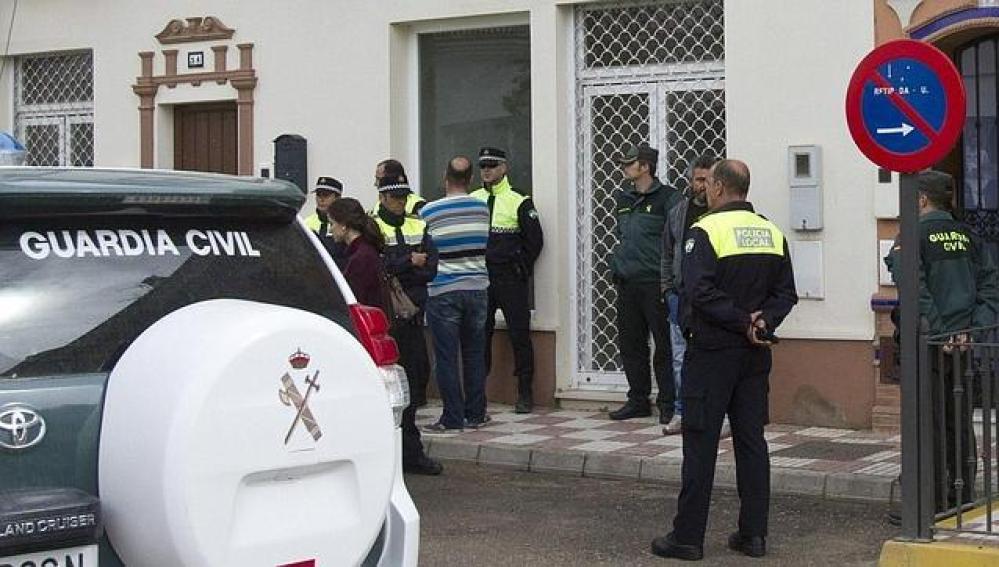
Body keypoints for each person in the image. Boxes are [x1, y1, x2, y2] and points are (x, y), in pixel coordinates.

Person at [653, 159, 797, 561]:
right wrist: (761, 322)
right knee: (752, 443)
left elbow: (698, 291)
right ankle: (754, 535)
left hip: (712, 353)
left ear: (718, 187)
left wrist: (739, 321)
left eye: (708, 185)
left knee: (700, 443)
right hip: (754, 355)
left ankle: (687, 538)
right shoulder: (771, 231)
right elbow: (786, 293)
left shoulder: (705, 230)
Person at [884, 170, 999, 513]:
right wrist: (971, 330)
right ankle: (961, 497)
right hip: (962, 344)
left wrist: (939, 330)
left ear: (921, 199)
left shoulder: (913, 235)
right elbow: (991, 287)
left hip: (928, 345)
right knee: (959, 421)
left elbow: (912, 286)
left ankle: (929, 504)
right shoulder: (969, 235)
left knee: (927, 423)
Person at [373, 173, 444, 476]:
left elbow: (431, 269)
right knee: (386, 389)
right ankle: (390, 454)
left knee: (414, 386)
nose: (400, 203)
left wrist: (407, 268)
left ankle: (411, 454)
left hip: (414, 317)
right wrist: (408, 262)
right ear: (382, 198)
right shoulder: (373, 226)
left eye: (404, 197)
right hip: (387, 321)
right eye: (395, 198)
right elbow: (379, 269)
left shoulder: (419, 225)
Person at [608, 143, 681, 424]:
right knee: (631, 345)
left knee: (663, 346)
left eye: (630, 163)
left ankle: (668, 403)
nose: (624, 168)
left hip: (655, 283)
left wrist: (669, 283)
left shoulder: (669, 198)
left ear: (645, 166)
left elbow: (674, 240)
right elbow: (622, 236)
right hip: (628, 282)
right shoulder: (623, 198)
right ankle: (638, 400)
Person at [419, 156, 491, 432]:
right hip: (477, 289)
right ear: (471, 179)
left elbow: (426, 247)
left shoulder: (429, 211)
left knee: (447, 357)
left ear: (445, 178)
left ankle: (452, 417)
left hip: (443, 289)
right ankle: (476, 414)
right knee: (474, 354)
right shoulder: (482, 208)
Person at [470, 147, 544, 413]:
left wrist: (520, 268)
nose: (486, 171)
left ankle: (524, 392)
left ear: (504, 168)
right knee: (480, 335)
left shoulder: (519, 199)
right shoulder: (473, 199)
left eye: (492, 165)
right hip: (482, 277)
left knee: (519, 335)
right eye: (483, 166)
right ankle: (476, 395)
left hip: (509, 278)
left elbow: (535, 240)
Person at [660, 156, 715, 435]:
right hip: (680, 297)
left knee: (712, 357)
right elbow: (667, 253)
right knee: (680, 357)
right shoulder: (678, 213)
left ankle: (714, 411)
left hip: (712, 297)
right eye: (698, 180)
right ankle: (682, 412)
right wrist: (667, 290)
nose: (702, 186)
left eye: (708, 180)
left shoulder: (721, 213)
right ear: (690, 181)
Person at [327, 198, 386, 309]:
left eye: (332, 223)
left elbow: (357, 301)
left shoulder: (361, 258)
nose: (330, 230)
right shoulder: (364, 251)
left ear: (344, 225)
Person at [303, 176, 347, 266]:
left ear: (338, 198)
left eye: (326, 195)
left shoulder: (345, 223)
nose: (321, 199)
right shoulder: (306, 223)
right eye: (318, 195)